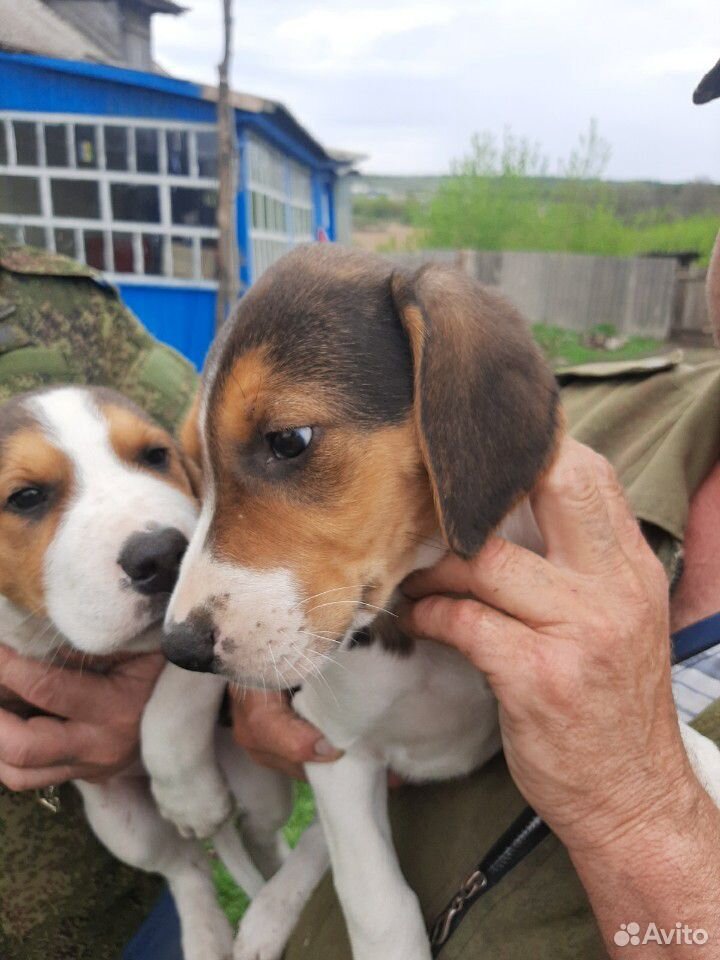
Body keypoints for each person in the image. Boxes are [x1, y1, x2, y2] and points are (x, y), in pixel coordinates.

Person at [0, 237, 198, 960]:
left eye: (147, 458)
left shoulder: (57, 303)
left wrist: (189, 703)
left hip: (115, 908)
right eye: (27, 496)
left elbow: (245, 492)